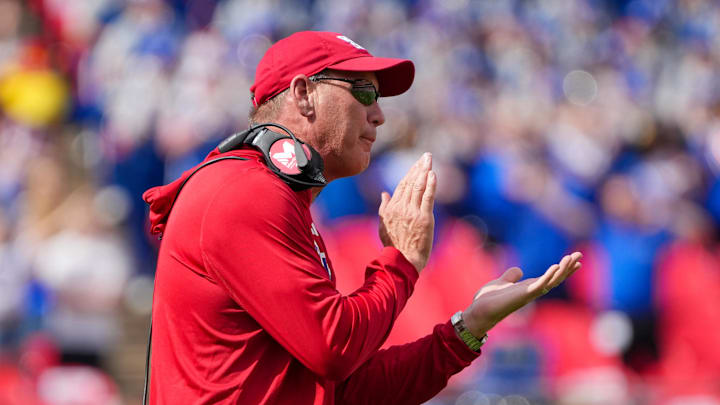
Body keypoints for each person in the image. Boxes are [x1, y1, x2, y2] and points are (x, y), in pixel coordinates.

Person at [142, 31, 583, 405]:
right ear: (303, 94)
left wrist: (468, 328)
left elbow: (343, 388)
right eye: (364, 91)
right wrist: (402, 263)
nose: (380, 113)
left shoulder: (270, 195)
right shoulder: (245, 192)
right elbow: (333, 347)